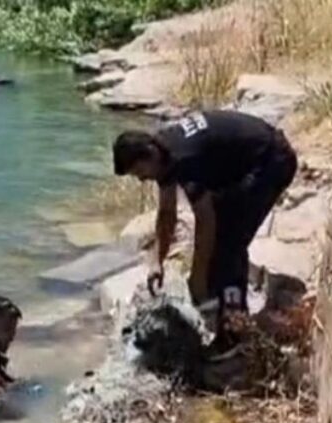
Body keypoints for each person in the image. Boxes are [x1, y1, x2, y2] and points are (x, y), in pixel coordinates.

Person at [112, 110, 297, 333]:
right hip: (247, 163)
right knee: (220, 239)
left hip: (272, 161)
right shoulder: (163, 150)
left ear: (150, 153)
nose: (142, 179)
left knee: (228, 243)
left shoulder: (184, 160)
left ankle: (235, 328)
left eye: (139, 171)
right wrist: (157, 262)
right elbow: (167, 213)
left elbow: (205, 222)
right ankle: (220, 312)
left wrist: (197, 278)